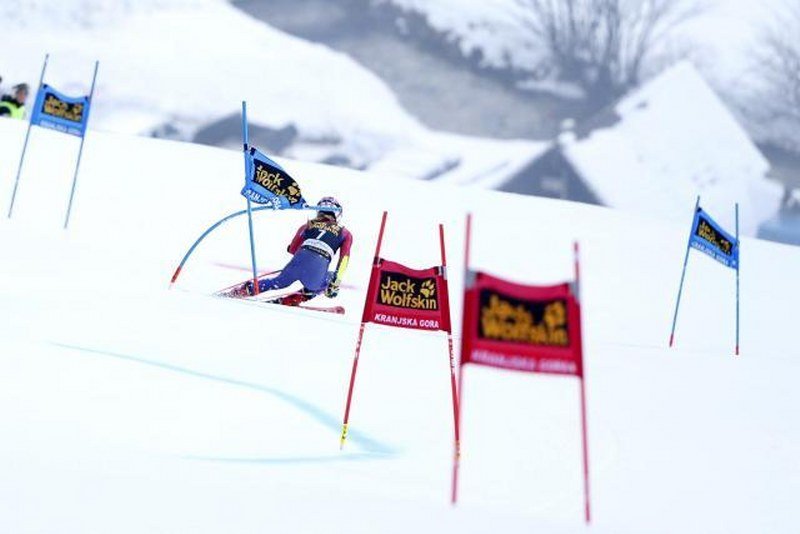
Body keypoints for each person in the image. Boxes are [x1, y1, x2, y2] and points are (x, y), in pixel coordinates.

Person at [241, 196, 352, 304]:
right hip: (318, 267)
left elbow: (293, 249)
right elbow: (344, 260)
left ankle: (247, 289)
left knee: (277, 282)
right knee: (329, 278)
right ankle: (293, 299)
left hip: (299, 260)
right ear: (337, 213)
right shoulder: (345, 233)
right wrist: (335, 284)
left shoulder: (308, 225)